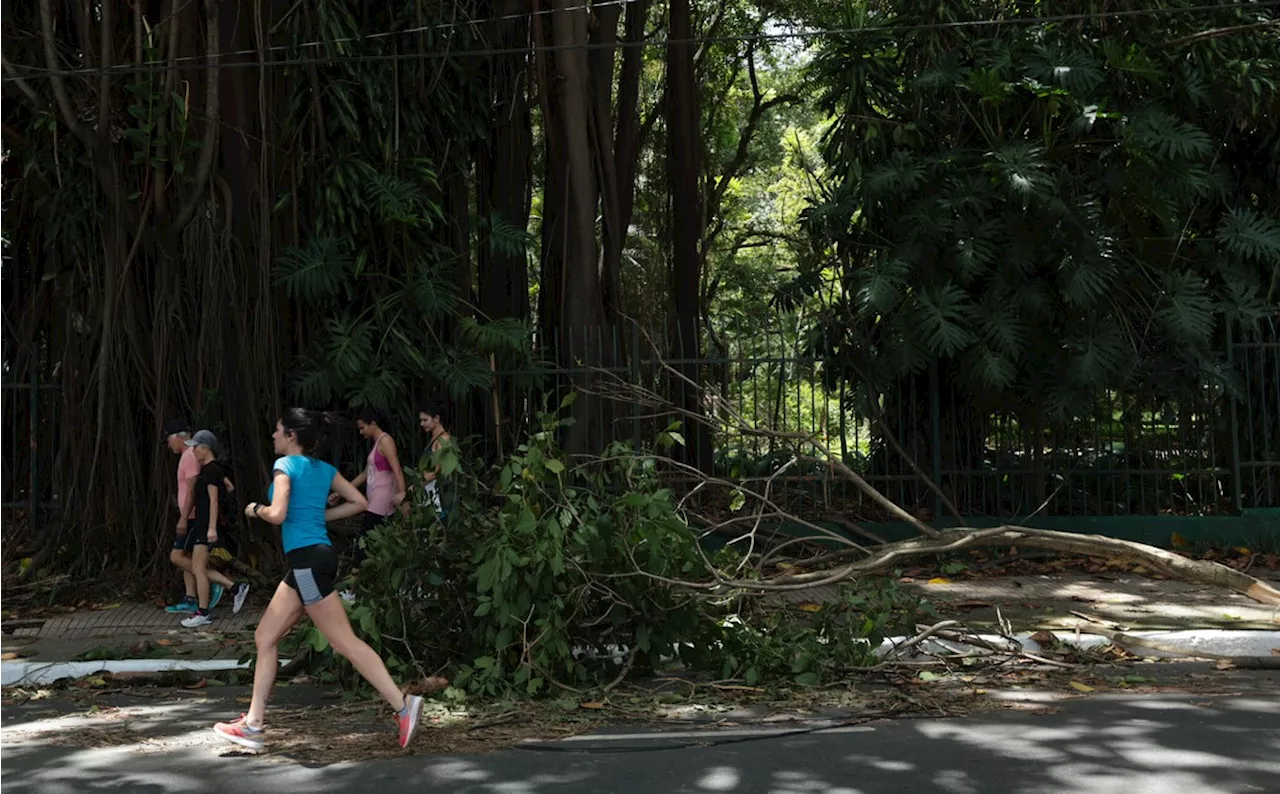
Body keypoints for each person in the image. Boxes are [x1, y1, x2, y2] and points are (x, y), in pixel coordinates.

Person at [213, 408, 424, 752]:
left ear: (292, 436)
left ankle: (403, 706)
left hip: (307, 562)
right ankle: (253, 724)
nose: (273, 436)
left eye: (278, 430)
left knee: (344, 642)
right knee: (265, 635)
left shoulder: (285, 467)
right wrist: (319, 515)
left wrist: (255, 509)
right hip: (309, 561)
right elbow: (360, 502)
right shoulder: (323, 470)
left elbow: (278, 514)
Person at [179, 430, 251, 628]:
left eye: (196, 447)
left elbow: (214, 500)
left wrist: (211, 528)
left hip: (206, 525)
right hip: (203, 524)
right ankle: (235, 588)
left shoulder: (211, 470)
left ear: (206, 447)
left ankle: (203, 612)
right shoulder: (212, 469)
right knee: (196, 567)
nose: (193, 451)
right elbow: (226, 488)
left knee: (199, 569)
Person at [348, 409, 407, 567]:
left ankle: (352, 585)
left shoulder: (385, 441)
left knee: (364, 541)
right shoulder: (377, 443)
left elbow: (397, 469)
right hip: (375, 500)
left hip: (382, 501)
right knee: (377, 541)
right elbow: (366, 472)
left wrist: (403, 495)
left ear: (373, 424)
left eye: (362, 427)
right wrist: (342, 491)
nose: (361, 432)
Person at [417, 399, 453, 520]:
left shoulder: (443, 439)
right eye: (421, 420)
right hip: (429, 491)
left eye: (425, 420)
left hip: (438, 493)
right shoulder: (434, 438)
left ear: (436, 418)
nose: (422, 424)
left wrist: (414, 488)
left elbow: (438, 471)